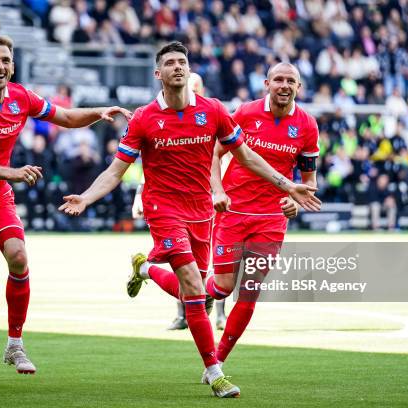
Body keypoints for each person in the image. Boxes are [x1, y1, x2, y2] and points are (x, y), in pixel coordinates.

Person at [59, 42, 321, 398]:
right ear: (159, 74)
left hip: (202, 212)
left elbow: (246, 156)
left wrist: (288, 186)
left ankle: (146, 269)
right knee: (196, 289)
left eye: (182, 62)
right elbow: (116, 170)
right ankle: (215, 371)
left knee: (195, 290)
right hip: (165, 209)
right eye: (170, 63)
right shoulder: (144, 118)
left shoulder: (213, 111)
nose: (177, 67)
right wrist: (86, 197)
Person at [0, 35, 131, 378]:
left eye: (5, 60)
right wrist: (13, 173)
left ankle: (14, 345)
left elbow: (64, 116)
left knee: (19, 256)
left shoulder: (20, 96)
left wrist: (98, 112)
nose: (0, 67)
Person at [202, 63, 319, 382]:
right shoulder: (245, 113)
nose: (284, 85)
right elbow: (214, 155)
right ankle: (210, 291)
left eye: (290, 81)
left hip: (270, 220)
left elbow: (309, 181)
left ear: (299, 87)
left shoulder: (307, 125)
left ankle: (217, 361)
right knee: (224, 287)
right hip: (233, 212)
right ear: (266, 83)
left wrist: (294, 201)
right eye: (278, 79)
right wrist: (218, 190)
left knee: (250, 290)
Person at [131, 72, 228, 331]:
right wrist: (139, 194)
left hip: (211, 202)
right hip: (172, 204)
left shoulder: (213, 116)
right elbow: (154, 164)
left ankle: (219, 312)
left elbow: (225, 158)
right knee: (184, 264)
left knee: (213, 262)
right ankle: (184, 313)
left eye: (194, 85)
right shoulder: (160, 117)